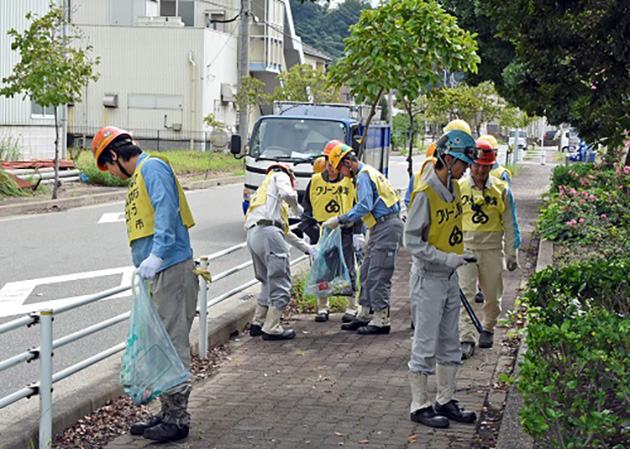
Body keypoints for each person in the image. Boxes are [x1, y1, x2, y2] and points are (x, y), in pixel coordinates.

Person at [92, 126, 198, 442]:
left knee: (173, 341)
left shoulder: (152, 167)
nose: (111, 174)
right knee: (162, 340)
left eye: (108, 166)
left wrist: (157, 254)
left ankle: (178, 419)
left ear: (114, 155)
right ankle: (167, 412)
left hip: (170, 267)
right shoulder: (142, 174)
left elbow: (166, 211)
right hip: (158, 271)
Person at [404, 129, 479, 428]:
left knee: (450, 342)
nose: (467, 170)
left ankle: (445, 400)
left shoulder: (455, 188)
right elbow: (411, 242)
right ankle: (419, 405)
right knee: (424, 343)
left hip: (449, 276)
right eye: (462, 163)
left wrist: (458, 257)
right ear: (447, 159)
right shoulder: (425, 193)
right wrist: (445, 258)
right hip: (429, 278)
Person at [322, 143, 403, 335]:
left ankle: (382, 319)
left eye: (341, 168)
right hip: (378, 226)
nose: (342, 174)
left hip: (386, 227)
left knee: (379, 273)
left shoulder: (364, 176)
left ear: (348, 163)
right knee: (366, 272)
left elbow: (365, 205)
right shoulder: (367, 173)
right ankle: (365, 313)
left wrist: (341, 219)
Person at [457, 141, 521, 359]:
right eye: (477, 166)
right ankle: (466, 337)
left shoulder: (502, 190)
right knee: (465, 294)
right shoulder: (459, 188)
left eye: (485, 166)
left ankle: (488, 327)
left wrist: (512, 253)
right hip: (466, 248)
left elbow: (511, 223)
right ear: (470, 165)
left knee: (492, 296)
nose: (481, 170)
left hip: (492, 249)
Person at [245, 163, 317, 340]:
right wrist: (300, 210)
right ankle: (272, 327)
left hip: (254, 235)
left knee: (266, 282)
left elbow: (285, 232)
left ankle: (258, 322)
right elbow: (288, 194)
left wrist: (308, 249)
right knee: (280, 280)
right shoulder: (279, 175)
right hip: (269, 235)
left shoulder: (264, 194)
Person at [299, 141, 363, 323]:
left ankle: (352, 307)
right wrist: (307, 230)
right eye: (329, 163)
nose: (332, 168)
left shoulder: (349, 181)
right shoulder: (316, 181)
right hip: (322, 232)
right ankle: (322, 307)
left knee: (349, 268)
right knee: (322, 270)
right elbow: (308, 207)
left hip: (344, 231)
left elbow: (357, 206)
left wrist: (358, 231)